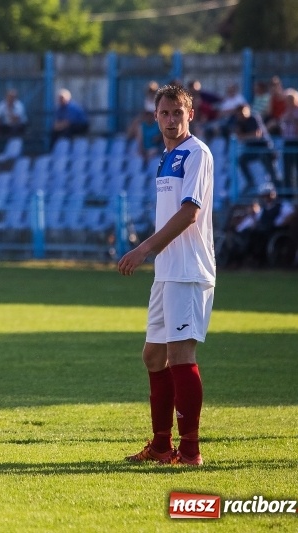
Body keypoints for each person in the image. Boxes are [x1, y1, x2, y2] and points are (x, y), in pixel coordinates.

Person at [118, 84, 215, 467]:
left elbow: (190, 212)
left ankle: (189, 450)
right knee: (153, 355)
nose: (171, 120)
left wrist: (144, 248)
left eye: (178, 113)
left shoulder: (196, 153)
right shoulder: (166, 156)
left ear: (190, 115)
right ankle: (161, 446)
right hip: (167, 273)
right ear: (155, 116)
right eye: (165, 113)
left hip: (189, 271)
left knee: (179, 355)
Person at [233, 103, 278, 190]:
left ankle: (280, 191)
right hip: (253, 150)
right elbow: (238, 136)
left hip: (265, 149)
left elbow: (256, 135)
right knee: (241, 160)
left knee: (272, 173)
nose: (241, 115)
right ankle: (250, 182)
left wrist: (243, 136)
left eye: (243, 112)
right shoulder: (239, 122)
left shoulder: (253, 119)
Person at [0, 88, 28, 155]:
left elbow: (15, 120)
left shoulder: (19, 105)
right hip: (6, 126)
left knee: (14, 129)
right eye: (9, 97)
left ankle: (13, 152)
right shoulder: (1, 105)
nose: (11, 99)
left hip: (19, 125)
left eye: (13, 97)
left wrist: (9, 109)